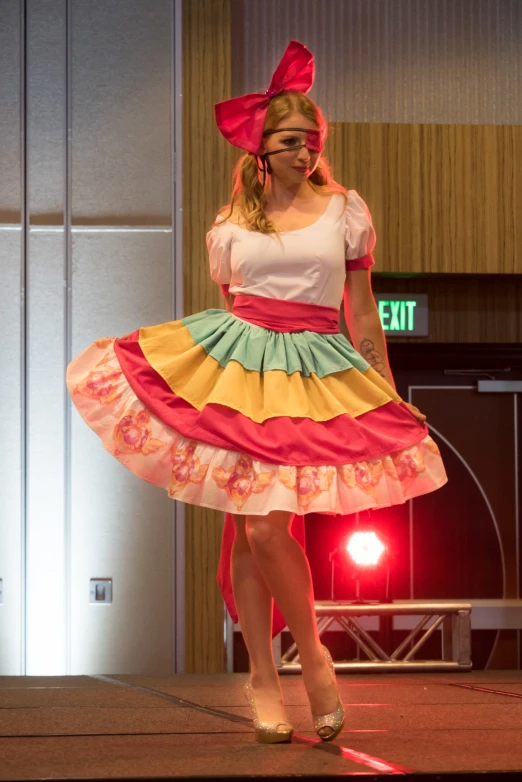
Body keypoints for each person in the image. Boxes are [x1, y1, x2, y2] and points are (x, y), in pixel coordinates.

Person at [66, 40, 448, 745]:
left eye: (313, 141)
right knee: (251, 524)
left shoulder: (345, 212)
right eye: (291, 141)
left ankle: (311, 659)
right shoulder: (232, 223)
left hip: (314, 365)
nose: (306, 152)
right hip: (241, 363)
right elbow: (231, 302)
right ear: (262, 148)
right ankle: (266, 673)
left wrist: (384, 390)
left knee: (268, 525)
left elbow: (360, 310)